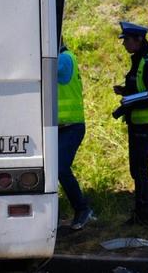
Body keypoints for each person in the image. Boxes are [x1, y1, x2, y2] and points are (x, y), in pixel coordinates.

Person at [112, 21, 148, 225]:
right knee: (136, 169)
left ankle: (147, 214)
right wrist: (125, 91)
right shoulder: (138, 60)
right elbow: (141, 89)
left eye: (126, 40)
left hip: (145, 123)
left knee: (140, 169)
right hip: (137, 121)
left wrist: (128, 100)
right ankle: (141, 213)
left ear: (138, 40)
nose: (124, 44)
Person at [58, 42, 94, 230]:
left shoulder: (63, 59)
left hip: (70, 127)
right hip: (58, 128)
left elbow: (45, 73)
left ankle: (82, 208)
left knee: (60, 168)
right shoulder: (63, 57)